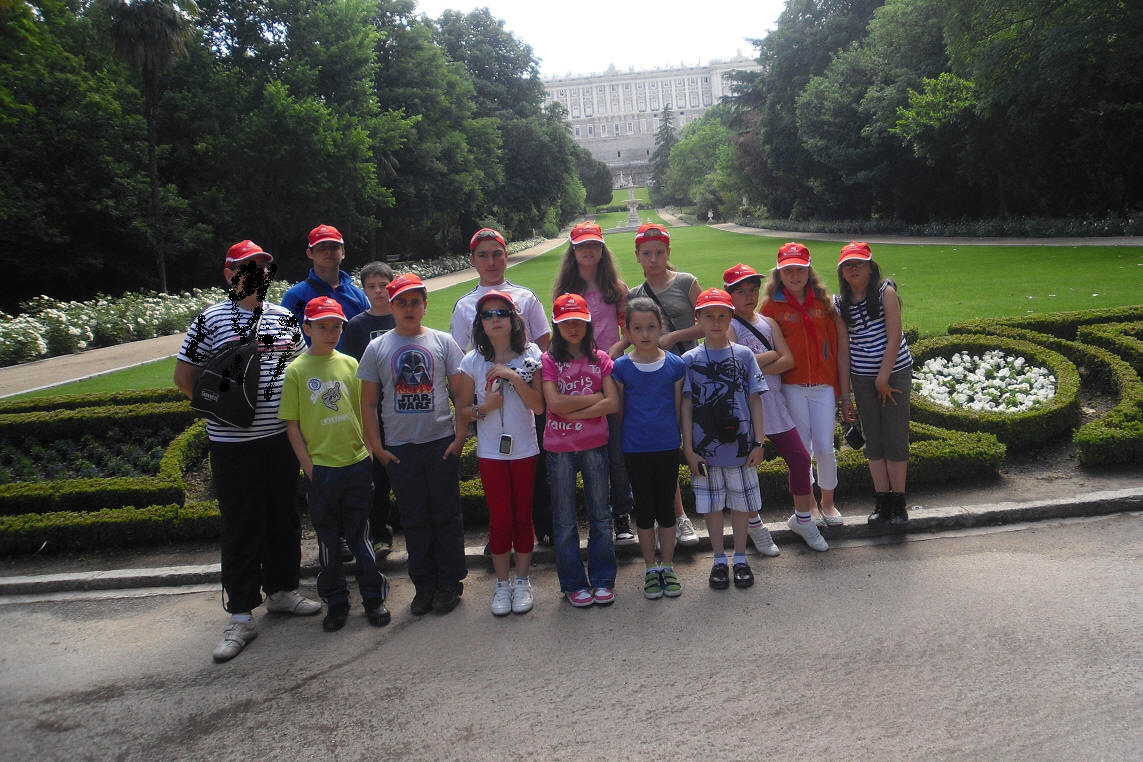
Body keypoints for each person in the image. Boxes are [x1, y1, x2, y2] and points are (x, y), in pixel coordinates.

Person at [173, 240, 320, 663]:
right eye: (246, 267)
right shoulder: (209, 320)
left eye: (262, 266)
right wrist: (223, 408)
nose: (256, 273)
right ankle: (240, 613)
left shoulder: (283, 318)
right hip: (232, 443)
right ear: (230, 274)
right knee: (241, 526)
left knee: (283, 518)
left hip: (279, 439)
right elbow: (184, 377)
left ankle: (282, 591)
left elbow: (300, 369)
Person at [357, 273, 468, 616]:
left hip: (439, 443)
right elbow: (368, 404)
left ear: (425, 305)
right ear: (391, 306)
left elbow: (460, 393)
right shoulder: (378, 348)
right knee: (414, 518)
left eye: (415, 302)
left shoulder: (443, 342)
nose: (409, 308)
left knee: (446, 516)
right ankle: (424, 584)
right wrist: (378, 448)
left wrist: (460, 437)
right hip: (400, 449)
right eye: (402, 302)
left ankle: (450, 582)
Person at [278, 297, 390, 631]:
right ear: (307, 328)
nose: (331, 333)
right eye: (323, 327)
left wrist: (369, 448)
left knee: (361, 537)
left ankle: (373, 597)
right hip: (323, 468)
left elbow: (363, 409)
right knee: (328, 542)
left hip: (356, 462)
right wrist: (308, 466)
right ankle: (336, 602)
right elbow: (292, 424)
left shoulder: (350, 364)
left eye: (336, 327)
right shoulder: (296, 371)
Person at [450, 227, 553, 546]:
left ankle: (541, 526)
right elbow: (459, 356)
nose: (491, 261)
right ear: (473, 260)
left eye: (497, 254)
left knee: (535, 464)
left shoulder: (525, 296)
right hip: (489, 394)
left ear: (506, 256)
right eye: (483, 255)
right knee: (496, 469)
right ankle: (500, 536)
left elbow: (544, 345)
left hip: (528, 392)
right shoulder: (465, 304)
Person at [723, 263, 827, 554]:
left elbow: (788, 360)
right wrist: (770, 356)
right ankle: (755, 525)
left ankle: (803, 519)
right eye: (741, 292)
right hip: (747, 408)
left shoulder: (767, 322)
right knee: (747, 468)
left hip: (774, 404)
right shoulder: (729, 325)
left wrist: (757, 365)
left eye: (753, 290)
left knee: (800, 459)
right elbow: (735, 366)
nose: (749, 296)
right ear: (729, 295)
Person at [455, 291, 545, 616]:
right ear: (479, 323)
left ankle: (522, 580)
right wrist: (485, 407)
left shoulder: (531, 353)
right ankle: (502, 583)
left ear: (513, 318)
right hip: (491, 451)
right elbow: (463, 411)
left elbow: (538, 406)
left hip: (524, 449)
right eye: (487, 315)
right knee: (500, 518)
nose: (495, 319)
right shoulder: (472, 360)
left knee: (522, 516)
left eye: (501, 313)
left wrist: (513, 376)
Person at [552, 221, 635, 545]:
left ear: (602, 249)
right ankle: (595, 514)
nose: (589, 250)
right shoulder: (565, 291)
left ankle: (621, 513)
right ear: (573, 251)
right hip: (577, 375)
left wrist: (612, 351)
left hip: (609, 372)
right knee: (585, 450)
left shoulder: (616, 288)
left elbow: (628, 330)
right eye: (582, 246)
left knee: (615, 451)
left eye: (594, 245)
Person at [680, 288, 769, 590]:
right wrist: (688, 448)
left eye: (721, 316)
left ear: (731, 317)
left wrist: (759, 442)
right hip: (705, 450)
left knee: (742, 505)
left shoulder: (744, 355)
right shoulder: (689, 360)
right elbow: (686, 405)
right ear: (698, 319)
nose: (716, 322)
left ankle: (740, 557)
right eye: (709, 316)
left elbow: (755, 399)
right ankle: (719, 558)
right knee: (712, 506)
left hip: (741, 448)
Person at [760, 242, 846, 548]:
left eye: (800, 269)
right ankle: (807, 504)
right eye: (788, 270)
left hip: (823, 385)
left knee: (825, 446)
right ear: (779, 273)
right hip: (792, 386)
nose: (794, 275)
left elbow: (838, 345)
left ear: (808, 271)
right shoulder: (771, 308)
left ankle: (828, 502)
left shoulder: (824, 303)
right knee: (803, 450)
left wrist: (843, 390)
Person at [625, 222, 702, 548]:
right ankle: (678, 516)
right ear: (638, 256)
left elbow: (713, 323)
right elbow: (630, 337)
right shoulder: (634, 295)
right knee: (667, 449)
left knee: (700, 442)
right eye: (647, 253)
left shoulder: (686, 282)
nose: (653, 259)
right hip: (658, 381)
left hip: (694, 372)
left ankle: (710, 507)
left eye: (659, 252)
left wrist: (674, 336)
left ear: (668, 252)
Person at [542, 293, 619, 608]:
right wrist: (592, 399)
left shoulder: (599, 358)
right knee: (564, 519)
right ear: (556, 326)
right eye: (566, 323)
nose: (573, 328)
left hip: (594, 445)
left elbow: (612, 403)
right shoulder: (549, 360)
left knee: (601, 515)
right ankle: (573, 583)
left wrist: (571, 410)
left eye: (578, 322)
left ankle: (602, 580)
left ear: (588, 323)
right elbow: (553, 403)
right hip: (560, 448)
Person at [611, 298, 687, 599]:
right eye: (637, 328)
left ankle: (667, 565)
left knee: (666, 508)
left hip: (666, 445)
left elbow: (678, 409)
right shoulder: (621, 368)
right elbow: (620, 410)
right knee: (643, 509)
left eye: (651, 327)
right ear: (627, 331)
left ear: (660, 327)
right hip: (636, 447)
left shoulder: (675, 365)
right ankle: (650, 568)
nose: (645, 334)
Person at [835, 242, 913, 526]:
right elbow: (843, 350)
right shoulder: (840, 303)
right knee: (873, 440)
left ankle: (898, 502)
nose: (854, 269)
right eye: (848, 265)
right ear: (842, 272)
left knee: (895, 437)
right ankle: (882, 500)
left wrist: (883, 377)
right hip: (863, 376)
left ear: (871, 267)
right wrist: (845, 395)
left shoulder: (885, 292)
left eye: (859, 263)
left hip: (894, 372)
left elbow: (894, 336)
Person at [342, 261, 397, 556]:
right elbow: (352, 371)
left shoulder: (403, 317)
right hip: (372, 411)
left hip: (402, 409)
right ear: (364, 290)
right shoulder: (356, 326)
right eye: (371, 287)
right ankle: (379, 534)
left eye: (383, 285)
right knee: (377, 477)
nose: (378, 291)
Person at [281, 224, 370, 350]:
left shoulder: (358, 295)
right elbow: (286, 341)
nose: (328, 252)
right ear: (310, 253)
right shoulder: (295, 296)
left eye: (334, 247)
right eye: (321, 248)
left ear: (343, 252)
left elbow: (367, 336)